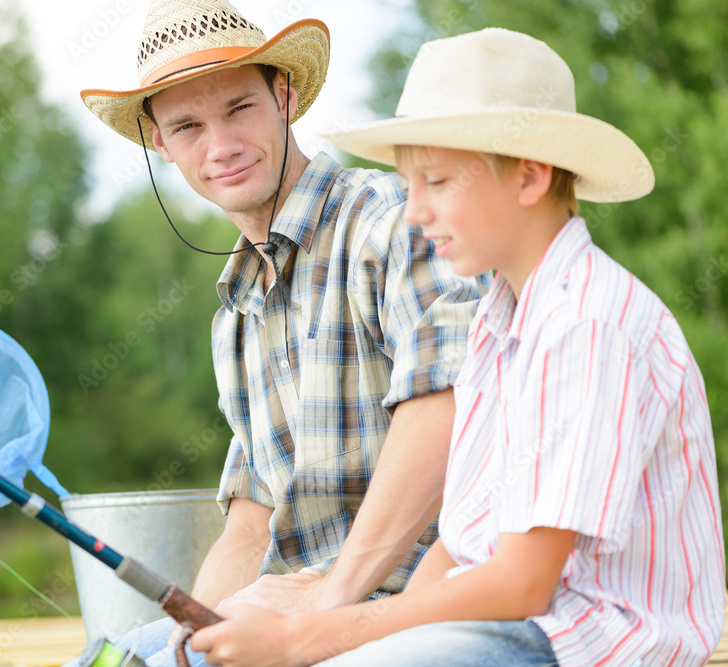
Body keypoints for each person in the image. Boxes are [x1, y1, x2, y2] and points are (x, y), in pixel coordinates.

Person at [185, 27, 727, 667]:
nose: (413, 212)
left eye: (437, 183)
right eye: (410, 185)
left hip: (578, 639)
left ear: (528, 177)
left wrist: (312, 635)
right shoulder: (503, 323)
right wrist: (357, 631)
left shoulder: (588, 321)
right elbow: (459, 544)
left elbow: (522, 582)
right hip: (501, 624)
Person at [78, 1, 487, 664]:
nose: (221, 146)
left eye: (240, 108)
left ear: (284, 95)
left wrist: (326, 603)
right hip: (292, 613)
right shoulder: (235, 317)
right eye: (187, 125)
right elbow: (252, 521)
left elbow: (449, 403)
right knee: (110, 658)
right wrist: (199, 635)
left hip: (422, 612)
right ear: (160, 143)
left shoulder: (387, 220)